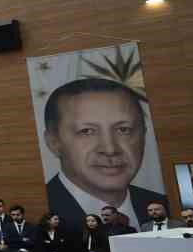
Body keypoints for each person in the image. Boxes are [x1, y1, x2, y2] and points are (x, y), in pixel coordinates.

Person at [41, 77, 168, 229]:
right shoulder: (42, 207)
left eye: (123, 130)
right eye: (87, 131)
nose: (110, 149)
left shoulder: (163, 204)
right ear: (54, 142)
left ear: (143, 135)